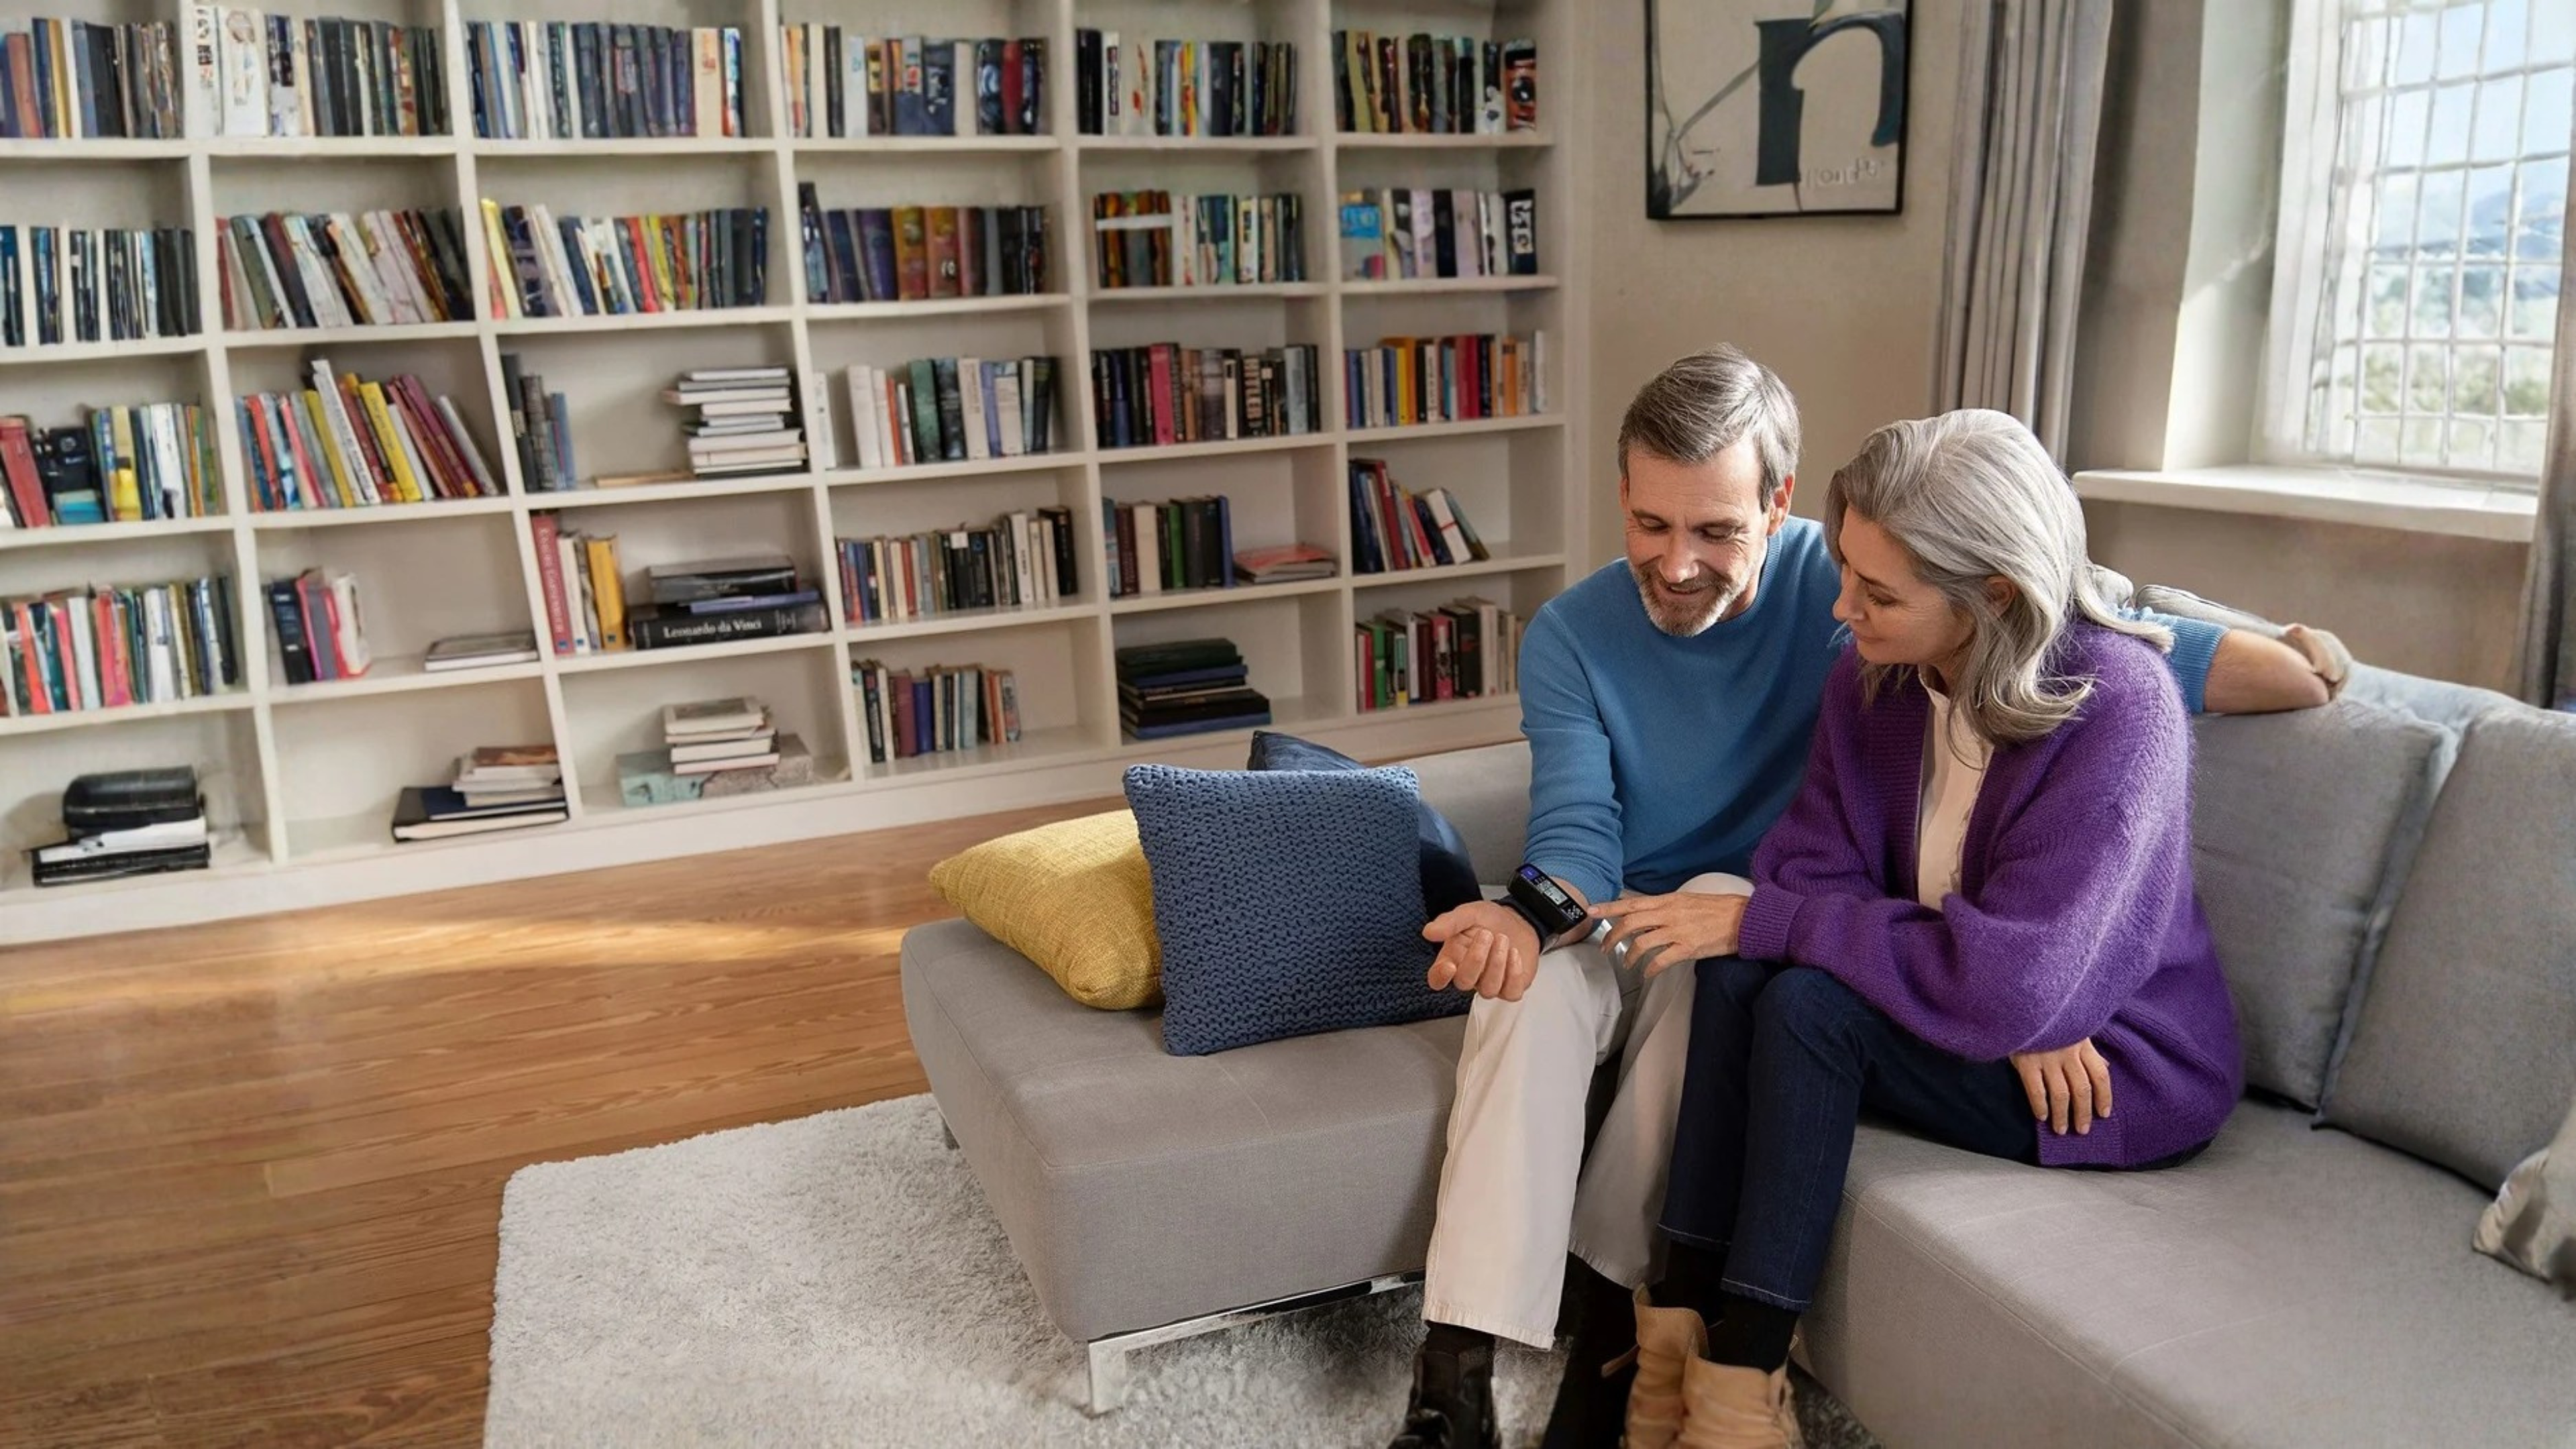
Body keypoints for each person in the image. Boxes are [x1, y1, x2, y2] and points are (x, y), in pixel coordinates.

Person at [1387, 351, 2334, 1449]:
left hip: (1845, 943)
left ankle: (1653, 1347)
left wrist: (2297, 660)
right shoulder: (1842, 652)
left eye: (1716, 531)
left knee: (1744, 956)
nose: (1678, 563)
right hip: (1678, 908)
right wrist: (1527, 914)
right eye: (1651, 524)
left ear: (1775, 503)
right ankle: (1460, 1377)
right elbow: (1588, 834)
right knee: (1543, 987)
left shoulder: (1906, 616)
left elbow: (2103, 645)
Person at [1602, 409, 2245, 1448]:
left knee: (1807, 999)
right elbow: (1806, 868)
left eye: (1880, 593)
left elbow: (2011, 983)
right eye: (1849, 572)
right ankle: (1670, 1339)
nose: (1843, 607)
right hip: (2002, 1012)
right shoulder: (1878, 677)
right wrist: (1978, 972)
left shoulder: (2121, 710)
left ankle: (1742, 1388)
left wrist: (2016, 993)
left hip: (2115, 1061)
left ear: (1992, 596)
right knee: (1734, 967)